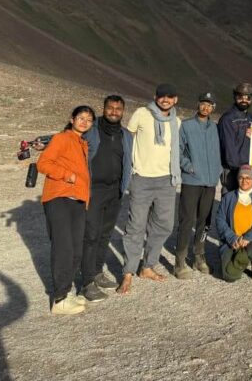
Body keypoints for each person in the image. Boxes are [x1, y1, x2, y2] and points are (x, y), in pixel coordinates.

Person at [117, 84, 181, 295]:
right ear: (155, 97)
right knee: (136, 225)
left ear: (175, 100)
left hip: (166, 180)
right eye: (162, 96)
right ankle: (128, 272)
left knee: (164, 225)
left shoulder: (176, 121)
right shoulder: (141, 114)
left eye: (169, 96)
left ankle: (147, 266)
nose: (165, 99)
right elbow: (127, 139)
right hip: (142, 178)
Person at [37, 105, 95, 315]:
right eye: (81, 118)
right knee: (63, 249)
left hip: (78, 202)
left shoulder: (82, 143)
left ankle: (67, 290)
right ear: (72, 119)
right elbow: (43, 163)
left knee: (75, 250)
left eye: (89, 120)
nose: (84, 122)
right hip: (59, 198)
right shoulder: (62, 138)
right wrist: (66, 175)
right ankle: (59, 299)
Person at [80, 95, 133, 302]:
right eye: (110, 108)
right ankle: (86, 282)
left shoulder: (126, 135)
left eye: (118, 109)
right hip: (93, 190)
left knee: (105, 234)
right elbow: (69, 136)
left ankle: (96, 272)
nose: (113, 112)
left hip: (115, 190)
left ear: (123, 111)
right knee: (91, 235)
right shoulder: (91, 130)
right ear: (103, 109)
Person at [174, 92, 221, 279]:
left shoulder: (215, 128)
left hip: (210, 182)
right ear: (198, 104)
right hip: (192, 180)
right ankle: (180, 261)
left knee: (205, 221)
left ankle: (199, 256)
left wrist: (217, 171)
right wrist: (189, 167)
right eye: (203, 104)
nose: (206, 107)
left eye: (210, 105)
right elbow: (178, 150)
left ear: (213, 108)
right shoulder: (186, 126)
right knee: (186, 220)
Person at [214, 164, 252, 282]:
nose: (244, 180)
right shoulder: (228, 197)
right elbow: (219, 219)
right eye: (241, 177)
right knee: (229, 276)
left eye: (248, 178)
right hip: (233, 240)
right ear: (237, 179)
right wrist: (232, 238)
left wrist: (248, 237)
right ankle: (242, 258)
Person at [218, 82, 252, 193]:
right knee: (230, 201)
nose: (244, 100)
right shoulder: (227, 119)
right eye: (241, 97)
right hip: (233, 171)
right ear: (235, 97)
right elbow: (228, 150)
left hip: (248, 170)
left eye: (248, 97)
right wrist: (242, 171)